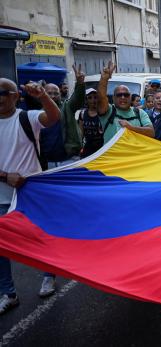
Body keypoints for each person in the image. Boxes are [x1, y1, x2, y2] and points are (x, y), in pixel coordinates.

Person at [1, 79, 61, 314]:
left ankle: (49, 276)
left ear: (16, 96)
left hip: (32, 193)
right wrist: (6, 176)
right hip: (2, 195)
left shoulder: (27, 118)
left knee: (42, 237)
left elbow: (54, 118)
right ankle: (8, 292)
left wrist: (43, 95)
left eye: (3, 93)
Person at [39, 64, 85, 169]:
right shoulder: (37, 115)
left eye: (56, 93)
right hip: (48, 162)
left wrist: (80, 83)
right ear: (43, 94)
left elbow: (78, 100)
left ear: (60, 95)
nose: (53, 96)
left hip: (69, 160)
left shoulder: (67, 107)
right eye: (49, 93)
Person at [96, 61, 154, 143]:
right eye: (119, 95)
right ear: (113, 97)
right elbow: (101, 98)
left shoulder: (139, 113)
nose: (123, 97)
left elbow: (151, 133)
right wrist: (104, 79)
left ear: (130, 97)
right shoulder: (108, 111)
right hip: (114, 155)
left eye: (126, 95)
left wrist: (131, 128)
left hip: (135, 155)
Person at [78, 88, 104, 158]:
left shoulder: (103, 113)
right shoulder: (82, 113)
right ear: (86, 100)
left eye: (95, 97)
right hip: (87, 148)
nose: (93, 100)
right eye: (90, 98)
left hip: (102, 148)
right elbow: (81, 133)